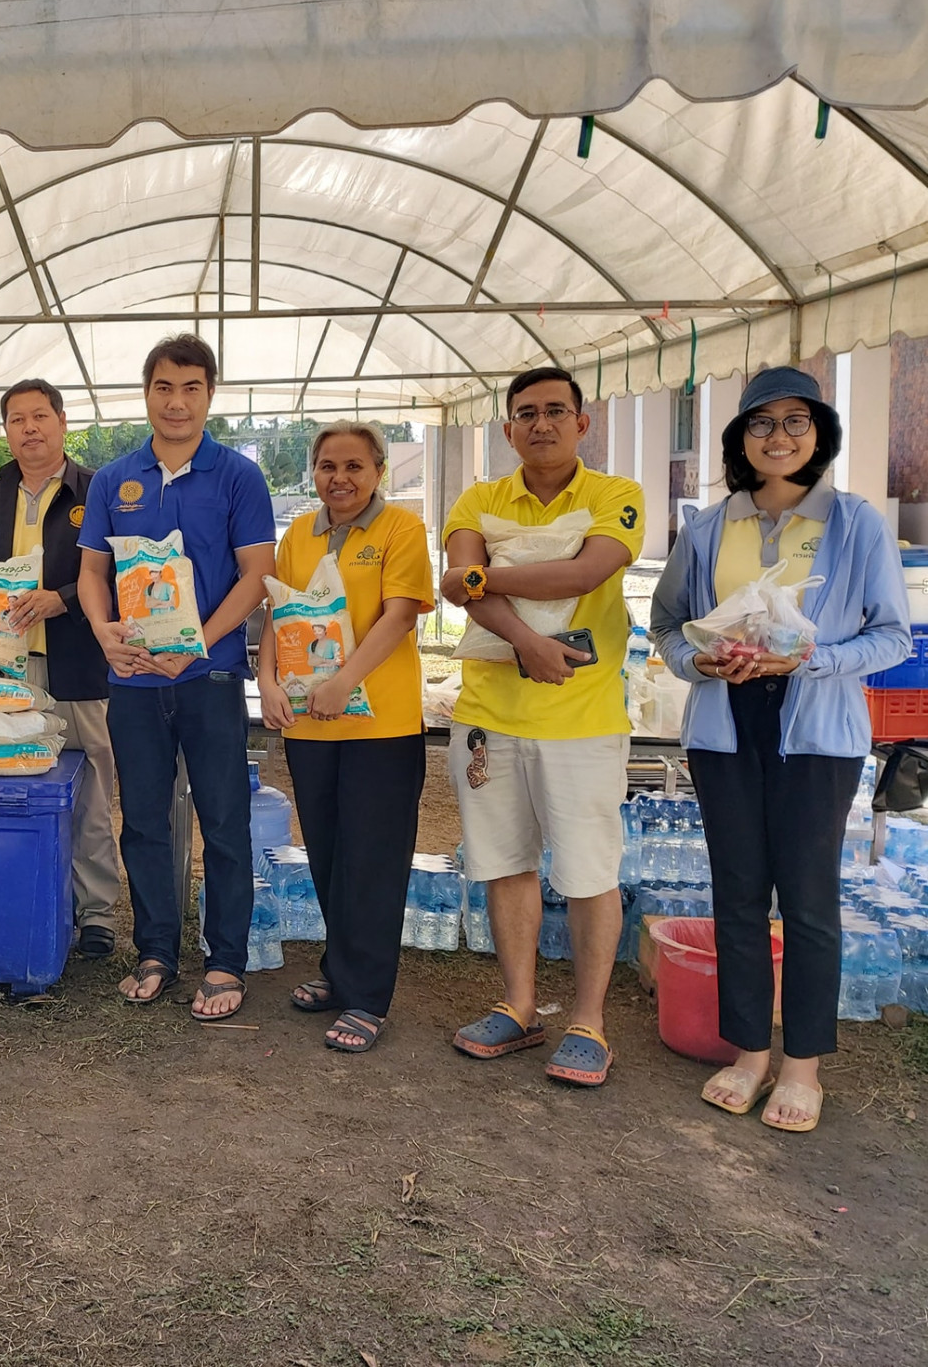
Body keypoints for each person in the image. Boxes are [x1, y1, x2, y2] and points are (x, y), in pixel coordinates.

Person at [651, 367, 909, 1132]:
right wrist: (694, 661)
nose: (778, 437)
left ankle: (801, 1066)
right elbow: (668, 625)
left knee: (806, 899)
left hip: (816, 733)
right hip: (724, 727)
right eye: (761, 424)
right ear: (738, 439)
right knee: (735, 894)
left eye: (796, 422)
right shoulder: (706, 528)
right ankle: (747, 1052)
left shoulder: (854, 523)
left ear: (819, 434)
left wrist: (809, 660)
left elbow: (889, 635)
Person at [438, 366, 644, 1088]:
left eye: (556, 410)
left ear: (581, 423)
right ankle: (520, 1005)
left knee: (588, 871)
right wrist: (525, 640)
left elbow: (585, 574)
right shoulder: (479, 497)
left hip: (581, 719)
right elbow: (453, 584)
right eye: (525, 413)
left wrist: (484, 576)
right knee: (503, 863)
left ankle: (587, 1021)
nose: (541, 424)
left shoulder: (614, 496)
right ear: (507, 429)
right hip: (488, 719)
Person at [76, 334, 275, 1021]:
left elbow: (255, 577)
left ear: (209, 395)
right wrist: (104, 631)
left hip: (210, 677)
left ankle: (225, 960)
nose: (177, 401)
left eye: (191, 387)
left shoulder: (237, 477)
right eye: (164, 387)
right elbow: (91, 574)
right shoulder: (113, 479)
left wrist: (197, 643)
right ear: (146, 393)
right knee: (145, 822)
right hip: (132, 680)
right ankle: (155, 948)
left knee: (223, 820)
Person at [258, 422, 434, 1051]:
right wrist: (269, 680)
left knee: (373, 859)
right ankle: (340, 969)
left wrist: (344, 682)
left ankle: (367, 996)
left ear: (379, 471)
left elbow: (399, 617)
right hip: (310, 724)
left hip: (379, 725)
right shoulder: (297, 535)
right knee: (330, 854)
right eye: (328, 465)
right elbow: (278, 615)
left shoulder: (400, 530)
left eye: (355, 466)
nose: (340, 478)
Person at [0, 379, 120, 959]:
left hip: (80, 666)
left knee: (90, 791)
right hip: (10, 669)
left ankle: (98, 913)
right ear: (5, 430)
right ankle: (25, 898)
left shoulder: (96, 489)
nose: (29, 428)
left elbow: (109, 577)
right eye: (16, 419)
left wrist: (61, 598)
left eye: (39, 416)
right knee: (12, 786)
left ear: (62, 421)